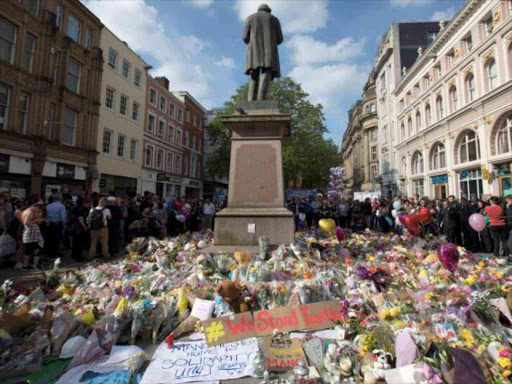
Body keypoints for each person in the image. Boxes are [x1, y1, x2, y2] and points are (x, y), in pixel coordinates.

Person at [243, 3, 283, 101]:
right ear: (268, 10)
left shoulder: (250, 18)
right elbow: (280, 39)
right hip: (269, 52)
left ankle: (250, 100)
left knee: (254, 74)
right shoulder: (274, 19)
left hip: (254, 52)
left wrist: (253, 42)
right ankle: (261, 99)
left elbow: (245, 37)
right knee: (266, 72)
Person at [21, 206, 44, 270]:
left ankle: (25, 266)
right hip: (32, 236)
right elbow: (27, 223)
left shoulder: (26, 212)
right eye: (38, 210)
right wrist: (36, 220)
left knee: (27, 251)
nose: (39, 212)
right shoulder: (30, 212)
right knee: (36, 250)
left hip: (28, 235)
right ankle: (35, 265)